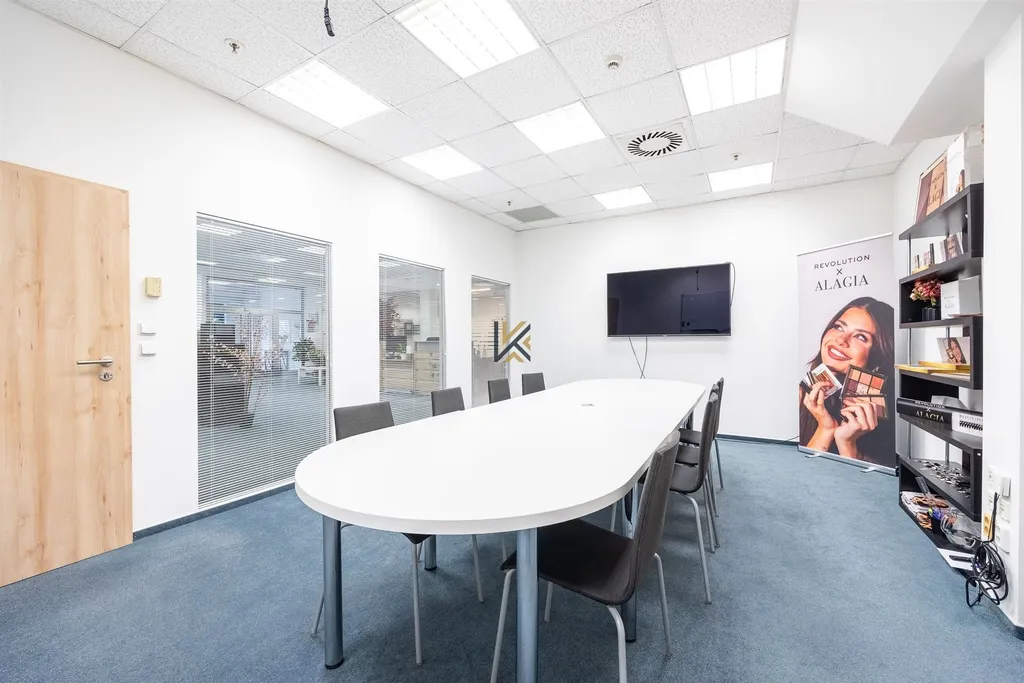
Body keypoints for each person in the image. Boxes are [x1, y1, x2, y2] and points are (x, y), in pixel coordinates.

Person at [799, 297, 895, 466]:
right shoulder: (804, 393)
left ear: (877, 355)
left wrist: (847, 443)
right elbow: (801, 475)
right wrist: (826, 428)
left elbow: (863, 484)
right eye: (838, 327)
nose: (840, 340)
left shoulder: (890, 411)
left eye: (860, 337)